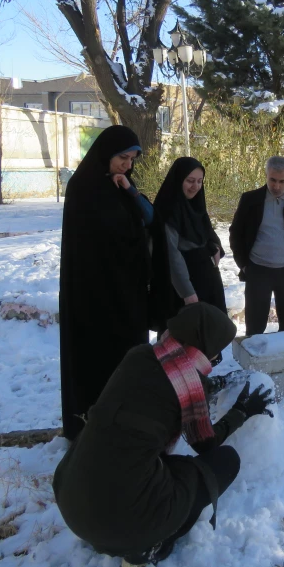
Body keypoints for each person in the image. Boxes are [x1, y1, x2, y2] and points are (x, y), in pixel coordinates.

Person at [53, 302, 275, 567]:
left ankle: (129, 529)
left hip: (73, 505)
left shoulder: (140, 355)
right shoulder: (190, 385)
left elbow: (153, 395)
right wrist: (242, 411)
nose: (218, 354)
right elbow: (206, 444)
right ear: (204, 345)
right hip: (123, 521)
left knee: (144, 458)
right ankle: (150, 544)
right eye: (218, 347)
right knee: (223, 462)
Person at [59, 124, 159, 441]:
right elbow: (91, 243)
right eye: (123, 158)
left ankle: (126, 420)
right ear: (106, 154)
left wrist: (129, 189)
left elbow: (149, 219)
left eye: (131, 159)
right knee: (98, 363)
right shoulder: (83, 188)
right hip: (94, 297)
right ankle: (94, 428)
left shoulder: (119, 185)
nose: (127, 165)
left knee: (128, 358)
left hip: (127, 294)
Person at [229, 156, 284, 336]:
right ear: (266, 175)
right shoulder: (250, 200)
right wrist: (244, 264)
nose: (276, 186)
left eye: (282, 181)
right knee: (254, 329)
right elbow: (236, 233)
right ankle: (254, 364)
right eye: (272, 180)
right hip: (258, 271)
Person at [153, 157, 228, 324]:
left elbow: (206, 233)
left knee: (209, 340)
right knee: (187, 341)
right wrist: (187, 293)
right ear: (179, 180)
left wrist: (214, 246)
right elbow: (171, 253)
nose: (196, 187)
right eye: (190, 181)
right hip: (185, 288)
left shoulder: (195, 205)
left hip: (207, 283)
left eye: (200, 181)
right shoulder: (169, 210)